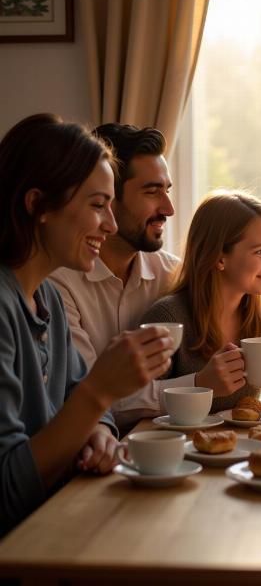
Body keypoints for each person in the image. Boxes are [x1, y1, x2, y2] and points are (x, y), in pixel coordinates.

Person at [0, 114, 173, 533]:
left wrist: (96, 433)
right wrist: (100, 392)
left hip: (56, 525)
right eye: (98, 205)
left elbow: (84, 406)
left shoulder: (47, 301)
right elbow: (6, 491)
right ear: (38, 204)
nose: (111, 225)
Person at [50, 123, 181, 431]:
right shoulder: (57, 284)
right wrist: (198, 386)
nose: (169, 208)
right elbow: (84, 396)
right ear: (109, 199)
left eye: (167, 191)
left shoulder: (171, 274)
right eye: (152, 192)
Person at [140, 190, 261, 412]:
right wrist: (199, 383)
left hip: (247, 446)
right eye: (260, 251)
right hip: (182, 446)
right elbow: (130, 404)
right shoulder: (168, 318)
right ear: (219, 257)